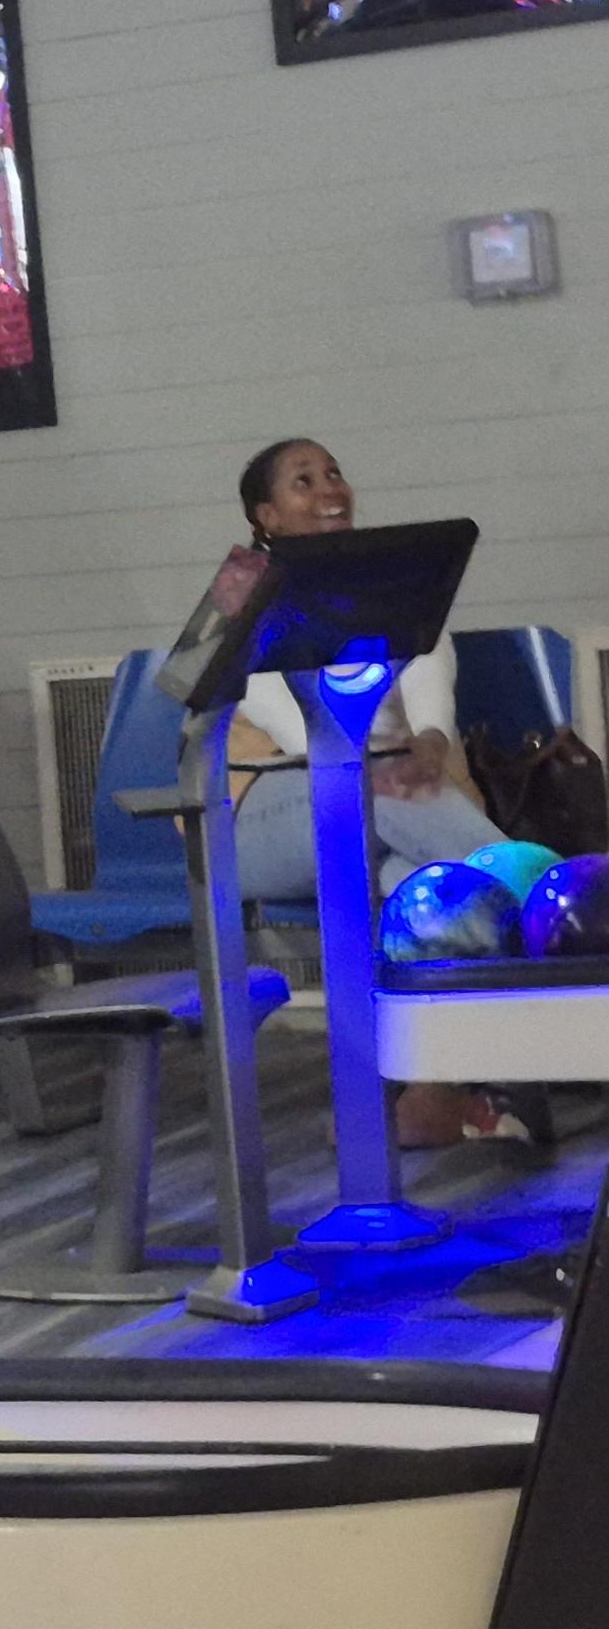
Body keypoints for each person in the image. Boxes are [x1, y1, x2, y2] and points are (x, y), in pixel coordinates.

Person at [227, 439, 522, 1147]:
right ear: (267, 514)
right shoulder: (248, 595)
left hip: (387, 799)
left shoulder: (399, 587)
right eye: (304, 481)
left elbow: (430, 694)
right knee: (394, 810)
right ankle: (528, 891)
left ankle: (431, 1091)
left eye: (333, 472)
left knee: (420, 885)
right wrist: (376, 768)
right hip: (268, 814)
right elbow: (294, 726)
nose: (330, 487)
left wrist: (429, 747)